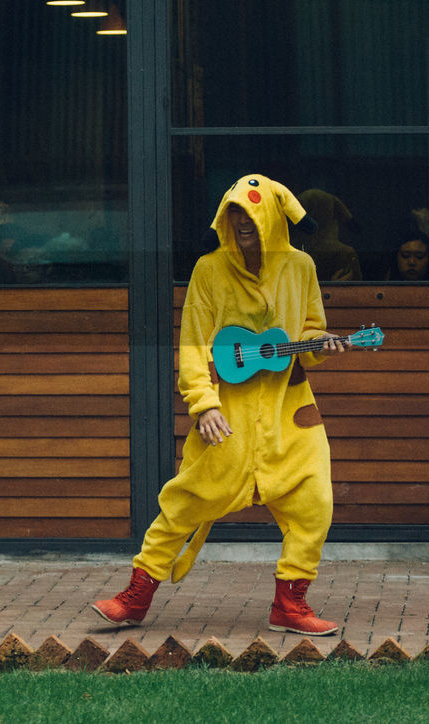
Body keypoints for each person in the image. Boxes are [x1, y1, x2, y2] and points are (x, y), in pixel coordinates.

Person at [92, 174, 348, 635]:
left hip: (290, 414)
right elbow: (193, 344)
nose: (241, 221)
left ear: (270, 217)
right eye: (234, 211)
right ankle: (135, 597)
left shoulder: (301, 268)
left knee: (315, 503)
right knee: (186, 501)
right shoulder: (208, 270)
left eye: (249, 212)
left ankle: (290, 606)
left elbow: (308, 333)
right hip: (226, 414)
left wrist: (320, 344)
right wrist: (203, 403)